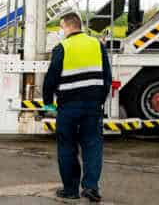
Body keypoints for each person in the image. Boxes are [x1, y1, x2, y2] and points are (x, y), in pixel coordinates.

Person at [42, 12, 111, 202]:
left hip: (68, 107)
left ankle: (70, 190)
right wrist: (99, 100)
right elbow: (107, 77)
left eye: (61, 28)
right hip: (92, 106)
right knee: (92, 146)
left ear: (66, 26)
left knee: (67, 147)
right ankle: (91, 187)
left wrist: (48, 103)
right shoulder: (97, 45)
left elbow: (51, 78)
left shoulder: (62, 47)